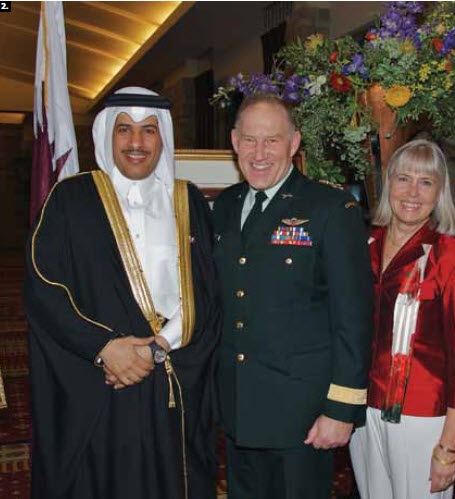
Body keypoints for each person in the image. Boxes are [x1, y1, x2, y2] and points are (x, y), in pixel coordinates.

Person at [25, 87, 221, 499]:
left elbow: (207, 289)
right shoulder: (70, 199)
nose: (136, 143)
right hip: (100, 378)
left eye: (148, 130)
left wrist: (159, 347)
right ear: (104, 137)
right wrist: (103, 347)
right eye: (124, 130)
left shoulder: (189, 202)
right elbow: (44, 286)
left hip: (170, 370)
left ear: (162, 137)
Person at [213, 93, 373, 499]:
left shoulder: (330, 208)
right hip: (237, 404)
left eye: (272, 140)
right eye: (249, 140)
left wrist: (341, 409)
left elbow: (352, 318)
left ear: (294, 143)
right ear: (234, 142)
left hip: (301, 413)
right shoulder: (224, 206)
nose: (259, 153)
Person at [349, 139, 455, 499]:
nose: (412, 192)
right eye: (403, 178)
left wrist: (449, 448)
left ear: (440, 193)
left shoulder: (454, 258)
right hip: (362, 409)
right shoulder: (362, 247)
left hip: (421, 417)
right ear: (387, 183)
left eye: (426, 182)